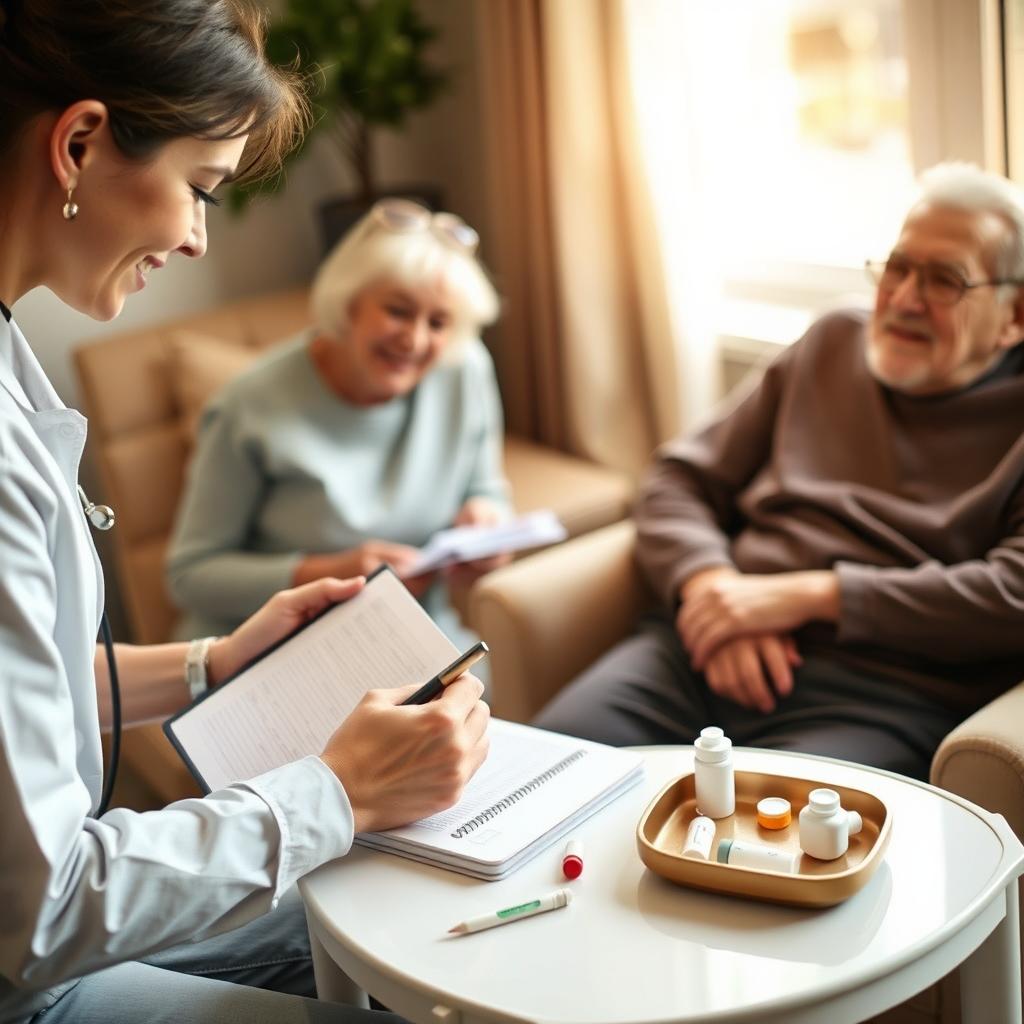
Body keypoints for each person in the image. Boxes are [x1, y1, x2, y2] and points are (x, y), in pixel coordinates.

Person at [0, 4, 489, 1023]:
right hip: (32, 971)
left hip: (50, 926)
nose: (193, 235)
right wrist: (335, 790)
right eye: (199, 188)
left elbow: (24, 690)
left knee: (381, 913)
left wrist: (210, 664)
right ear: (80, 142)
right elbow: (37, 910)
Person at [534, 161, 1024, 783]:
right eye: (897, 267)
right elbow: (677, 478)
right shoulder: (832, 341)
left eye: (944, 280)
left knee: (761, 866)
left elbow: (1013, 592)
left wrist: (806, 596)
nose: (903, 298)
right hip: (700, 653)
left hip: (878, 698)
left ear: (1015, 317)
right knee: (533, 783)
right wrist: (713, 591)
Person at [165, 197, 510, 659]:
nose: (415, 340)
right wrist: (329, 572)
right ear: (348, 302)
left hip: (405, 634)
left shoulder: (463, 369)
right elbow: (189, 576)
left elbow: (485, 487)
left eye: (438, 321)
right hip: (268, 648)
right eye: (398, 310)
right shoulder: (247, 405)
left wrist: (486, 519)